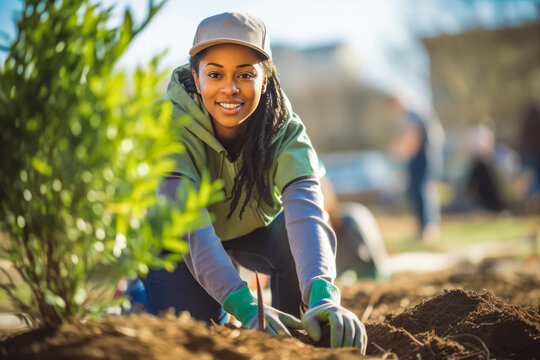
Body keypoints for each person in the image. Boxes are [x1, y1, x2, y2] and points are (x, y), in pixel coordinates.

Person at [141, 12, 367, 351]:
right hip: (178, 244)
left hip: (252, 229)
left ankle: (293, 327)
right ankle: (135, 299)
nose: (230, 88)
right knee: (201, 336)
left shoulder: (285, 130)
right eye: (215, 74)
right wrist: (244, 306)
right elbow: (191, 228)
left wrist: (323, 294)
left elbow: (307, 213)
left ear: (264, 80)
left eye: (245, 74)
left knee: (289, 240)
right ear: (196, 78)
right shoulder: (169, 127)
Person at [388, 97, 443, 244]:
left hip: (422, 157)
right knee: (424, 190)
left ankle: (426, 229)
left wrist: (400, 151)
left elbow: (413, 137)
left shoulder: (411, 115)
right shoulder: (413, 114)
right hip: (423, 156)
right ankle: (427, 227)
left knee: (420, 191)